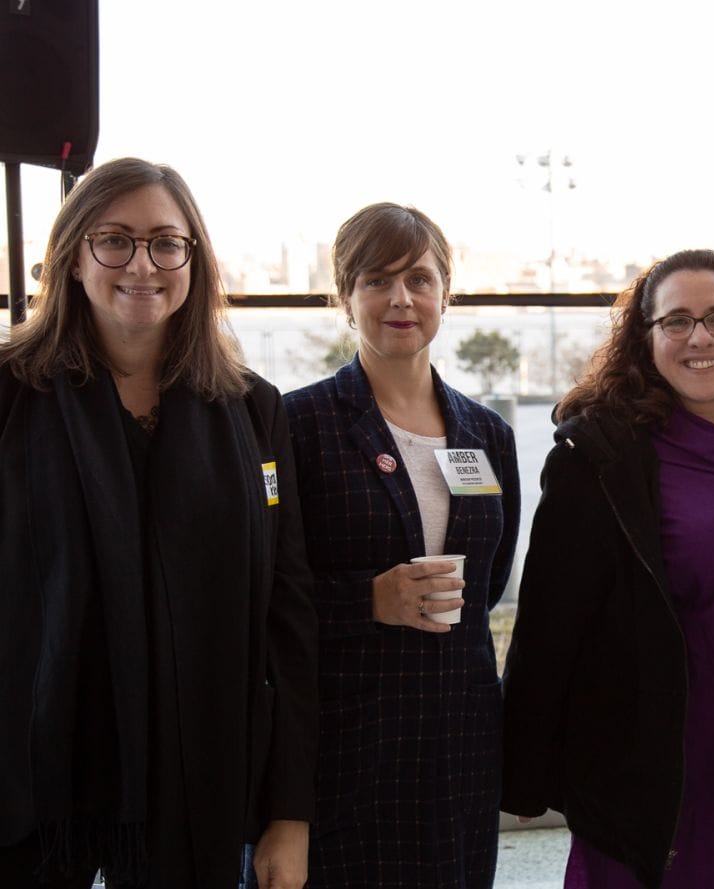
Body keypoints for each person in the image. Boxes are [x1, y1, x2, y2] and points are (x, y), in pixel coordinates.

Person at [0, 157, 318, 889]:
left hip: (197, 788)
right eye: (115, 239)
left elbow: (287, 617)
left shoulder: (249, 409)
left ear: (193, 262)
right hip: (34, 792)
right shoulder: (11, 397)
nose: (142, 264)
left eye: (166, 243)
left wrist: (289, 813)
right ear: (73, 257)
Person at [501, 248, 714, 889]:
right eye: (676, 321)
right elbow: (550, 625)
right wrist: (524, 771)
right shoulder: (601, 457)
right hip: (665, 755)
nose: (700, 338)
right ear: (646, 337)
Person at [284, 202, 520, 888]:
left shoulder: (486, 433)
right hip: (347, 739)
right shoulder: (297, 424)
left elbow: (490, 579)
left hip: (459, 738)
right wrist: (367, 600)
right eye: (375, 279)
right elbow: (266, 591)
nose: (400, 298)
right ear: (344, 295)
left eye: (419, 278)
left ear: (445, 292)